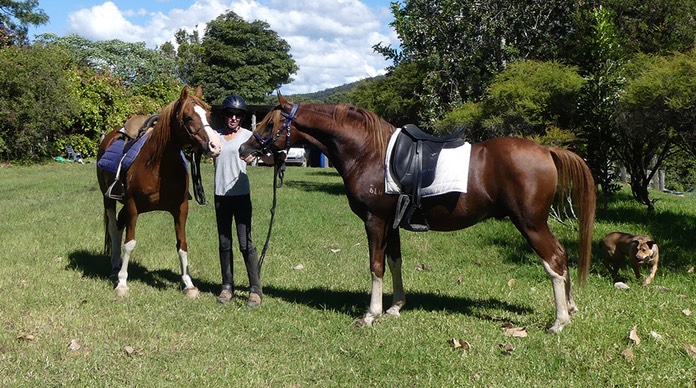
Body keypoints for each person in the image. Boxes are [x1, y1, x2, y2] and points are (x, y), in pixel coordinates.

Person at [212, 94, 264, 307]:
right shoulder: (215, 136)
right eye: (230, 114)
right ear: (224, 115)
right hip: (220, 196)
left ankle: (255, 290)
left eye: (238, 115)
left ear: (242, 117)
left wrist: (255, 158)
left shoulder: (248, 136)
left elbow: (260, 156)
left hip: (241, 196)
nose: (233, 118)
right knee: (224, 243)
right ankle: (227, 286)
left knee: (245, 244)